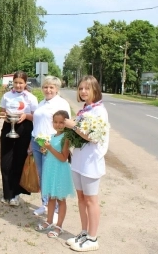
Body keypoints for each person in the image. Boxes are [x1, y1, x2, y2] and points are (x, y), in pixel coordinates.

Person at [64, 75, 109, 252]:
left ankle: (93, 237)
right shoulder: (86, 109)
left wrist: (72, 126)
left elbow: (93, 137)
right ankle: (84, 232)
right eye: (81, 88)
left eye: (87, 88)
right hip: (79, 159)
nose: (83, 91)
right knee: (81, 199)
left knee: (91, 200)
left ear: (95, 90)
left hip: (91, 161)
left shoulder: (99, 111)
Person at [31, 76, 71, 217]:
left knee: (51, 176)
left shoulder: (61, 103)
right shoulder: (41, 102)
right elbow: (37, 122)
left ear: (57, 89)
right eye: (45, 87)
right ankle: (45, 204)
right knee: (42, 175)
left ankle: (54, 210)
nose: (48, 90)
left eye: (51, 87)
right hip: (37, 142)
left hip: (51, 144)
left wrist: (59, 143)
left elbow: (66, 125)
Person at [0, 71, 38, 206]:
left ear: (25, 83)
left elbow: (35, 117)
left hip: (24, 129)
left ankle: (15, 194)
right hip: (8, 127)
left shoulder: (31, 98)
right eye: (16, 82)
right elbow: (2, 112)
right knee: (5, 162)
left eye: (21, 83)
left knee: (18, 161)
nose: (18, 85)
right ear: (13, 82)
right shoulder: (6, 95)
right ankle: (6, 193)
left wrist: (25, 116)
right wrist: (6, 114)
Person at [35, 110, 75, 238]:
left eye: (61, 122)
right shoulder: (52, 136)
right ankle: (49, 221)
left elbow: (63, 157)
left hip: (60, 171)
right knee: (51, 198)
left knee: (60, 199)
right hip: (51, 170)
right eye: (55, 122)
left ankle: (59, 226)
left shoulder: (66, 138)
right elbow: (51, 153)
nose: (58, 125)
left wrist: (50, 148)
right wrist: (45, 150)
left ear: (66, 123)